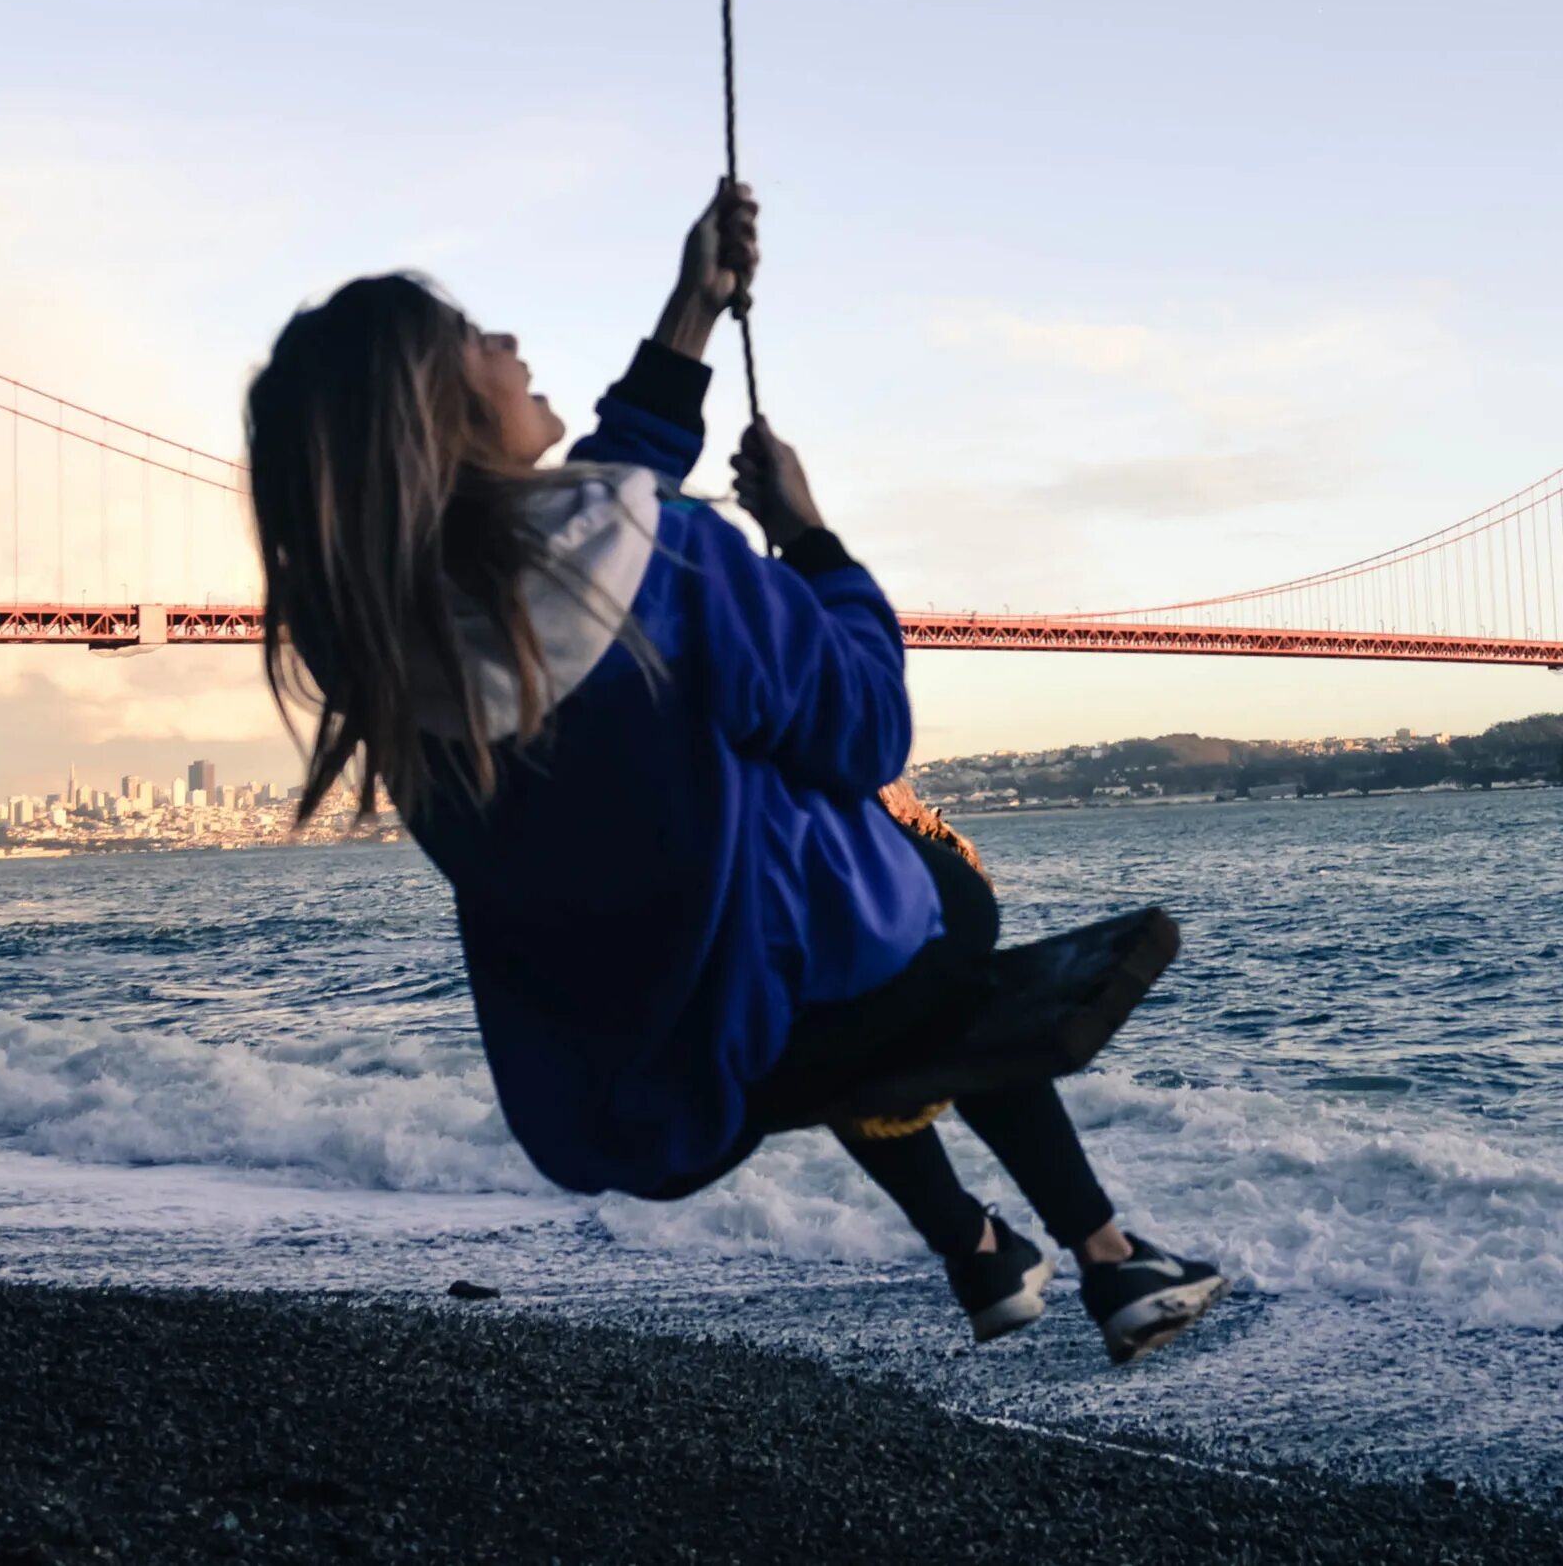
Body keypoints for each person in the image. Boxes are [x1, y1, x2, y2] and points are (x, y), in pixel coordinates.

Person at [241, 180, 1227, 1364]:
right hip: (794, 994)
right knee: (937, 900)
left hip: (663, 1052)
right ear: (439, 418)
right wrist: (815, 542)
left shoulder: (392, 666)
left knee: (833, 951)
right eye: (476, 342)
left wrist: (691, 313)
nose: (506, 344)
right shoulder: (675, 566)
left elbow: (575, 531)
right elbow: (866, 725)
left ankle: (983, 1252)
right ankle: (1106, 1255)